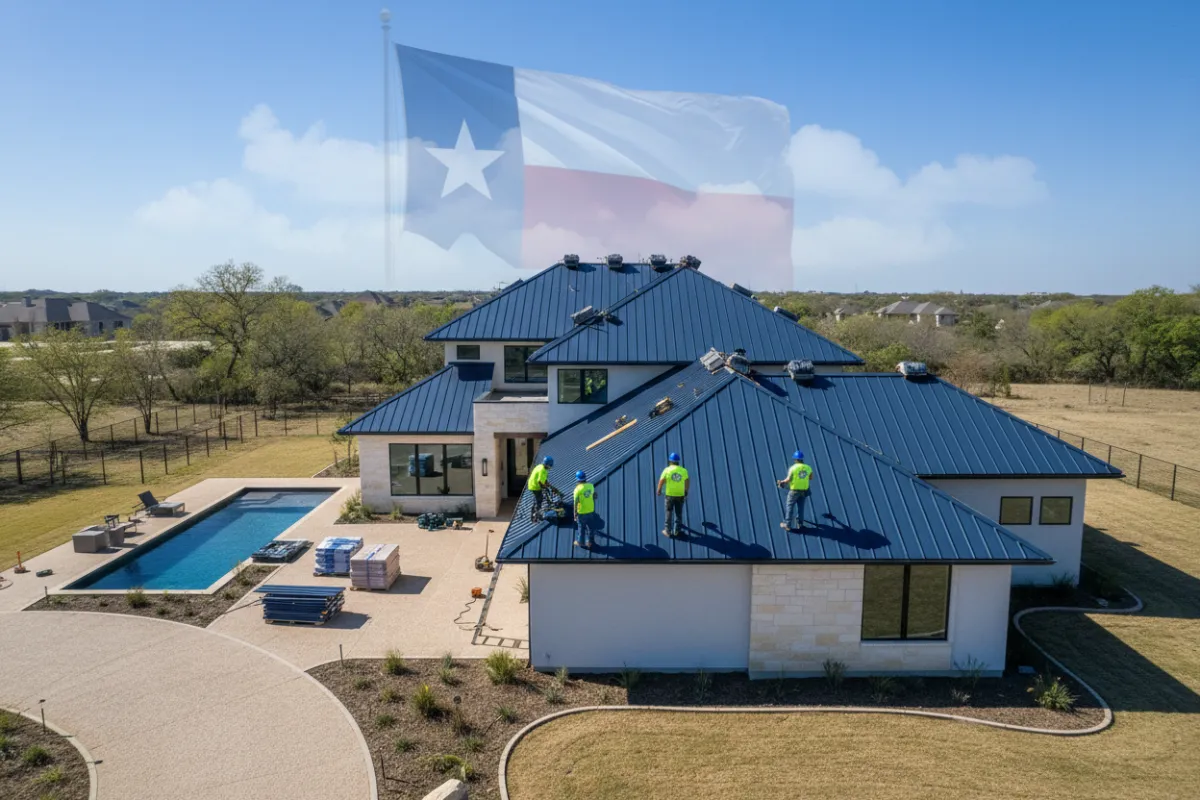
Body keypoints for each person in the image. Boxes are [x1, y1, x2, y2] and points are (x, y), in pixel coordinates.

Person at [778, 450, 814, 530]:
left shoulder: (793, 468)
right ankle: (800, 524)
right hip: (804, 491)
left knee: (790, 506)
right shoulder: (808, 468)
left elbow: (788, 479)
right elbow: (811, 477)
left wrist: (782, 482)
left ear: (795, 459)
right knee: (801, 507)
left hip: (794, 491)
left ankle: (787, 524)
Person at [656, 452, 690, 537]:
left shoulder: (667, 470)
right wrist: (685, 491)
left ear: (670, 461)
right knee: (678, 513)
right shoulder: (683, 470)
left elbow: (661, 481)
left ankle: (668, 531)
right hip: (680, 495)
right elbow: (687, 482)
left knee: (669, 512)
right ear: (678, 462)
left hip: (669, 495)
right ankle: (677, 531)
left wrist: (659, 490)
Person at [527, 456, 559, 522]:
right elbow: (540, 481)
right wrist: (545, 488)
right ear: (548, 465)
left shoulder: (540, 466)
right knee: (539, 500)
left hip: (532, 484)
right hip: (535, 486)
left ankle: (534, 513)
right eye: (550, 466)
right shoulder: (542, 470)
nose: (550, 467)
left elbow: (544, 481)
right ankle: (536, 516)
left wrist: (550, 487)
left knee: (536, 499)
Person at [573, 470, 597, 548]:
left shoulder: (577, 489)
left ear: (577, 479)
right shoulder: (591, 486)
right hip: (590, 510)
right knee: (590, 528)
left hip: (582, 512)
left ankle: (580, 542)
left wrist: (575, 514)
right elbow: (595, 496)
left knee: (581, 528)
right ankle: (590, 542)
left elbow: (575, 503)